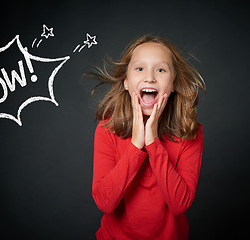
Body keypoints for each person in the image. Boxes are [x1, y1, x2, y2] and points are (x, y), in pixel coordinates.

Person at [88, 34, 206, 239]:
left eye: (161, 70)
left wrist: (153, 143)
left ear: (174, 83)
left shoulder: (190, 133)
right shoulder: (106, 129)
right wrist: (136, 145)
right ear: (126, 82)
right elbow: (105, 203)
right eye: (139, 68)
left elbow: (180, 205)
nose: (150, 77)